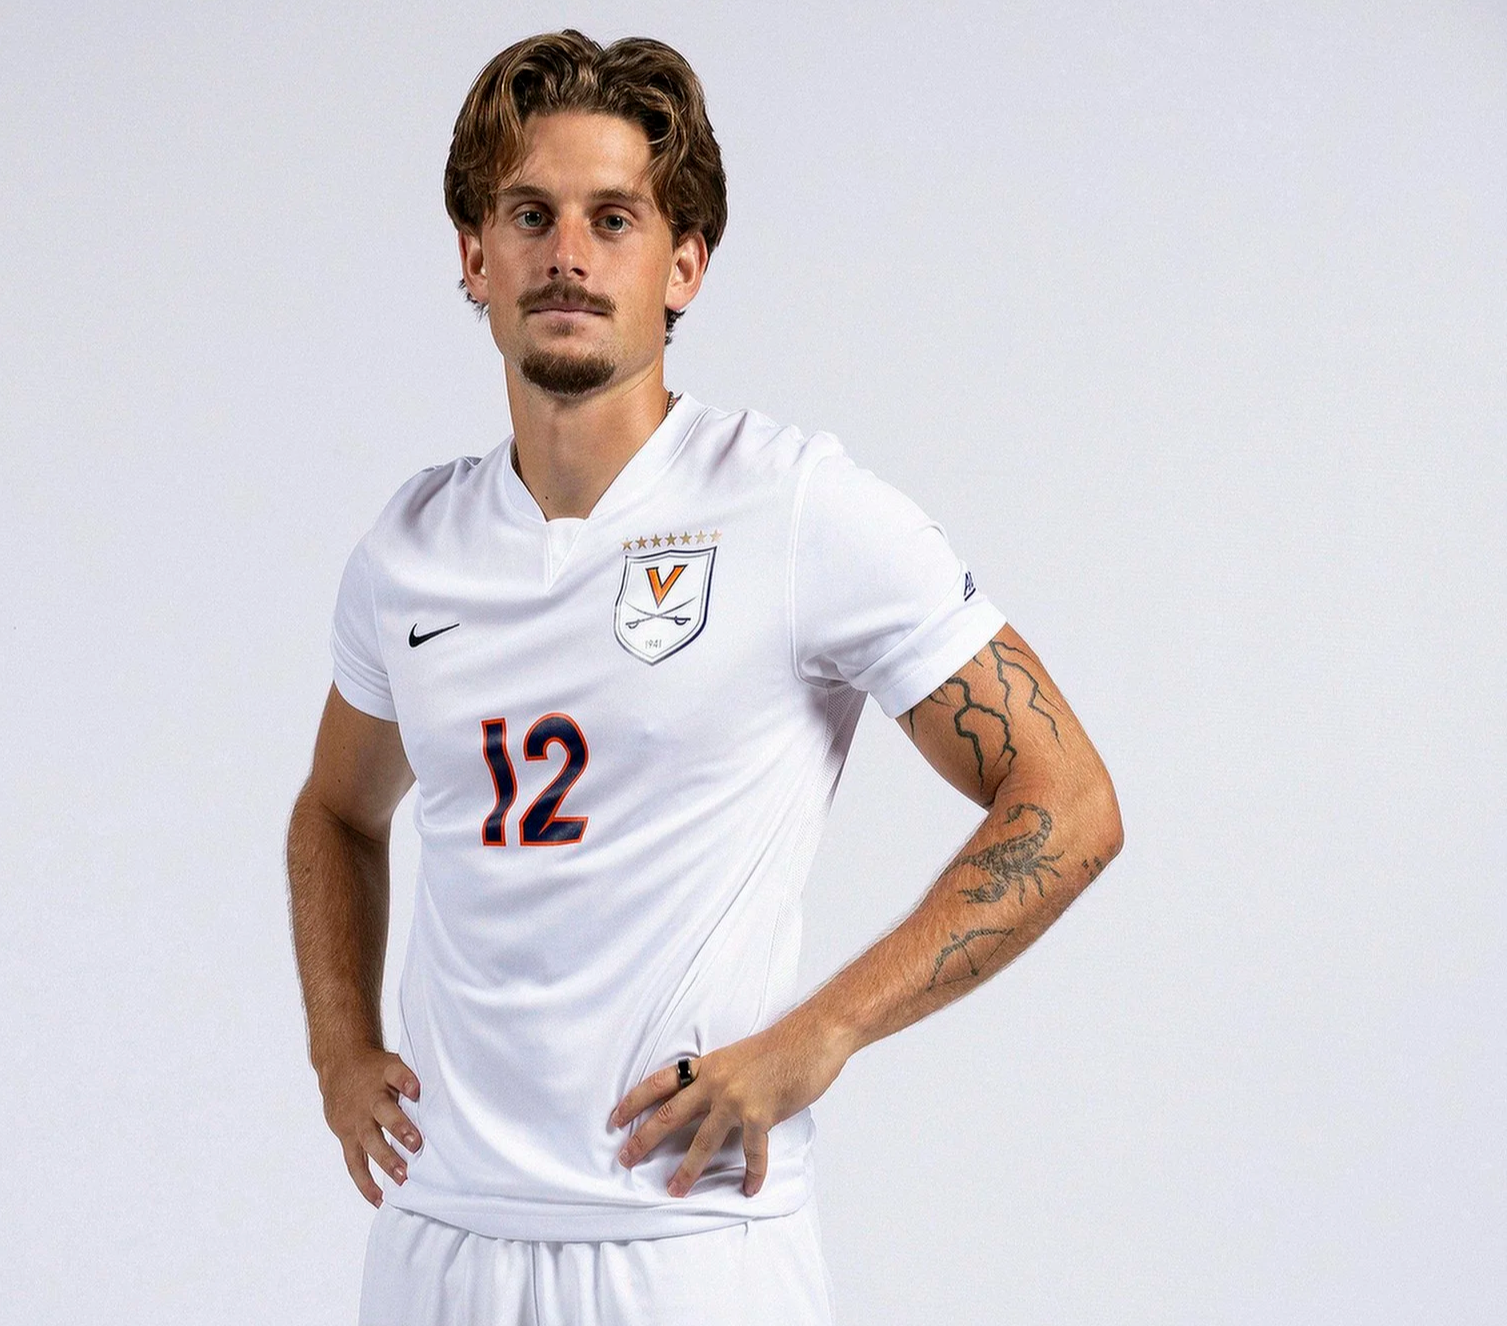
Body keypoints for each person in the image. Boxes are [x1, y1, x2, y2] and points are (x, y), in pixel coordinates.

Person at [286, 29, 1124, 1326]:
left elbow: (1067, 802)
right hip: (442, 1239)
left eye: (613, 218)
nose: (568, 254)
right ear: (475, 257)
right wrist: (340, 1051)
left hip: (687, 1243)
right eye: (530, 214)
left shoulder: (796, 510)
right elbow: (337, 812)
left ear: (684, 263)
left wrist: (823, 1031)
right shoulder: (410, 548)